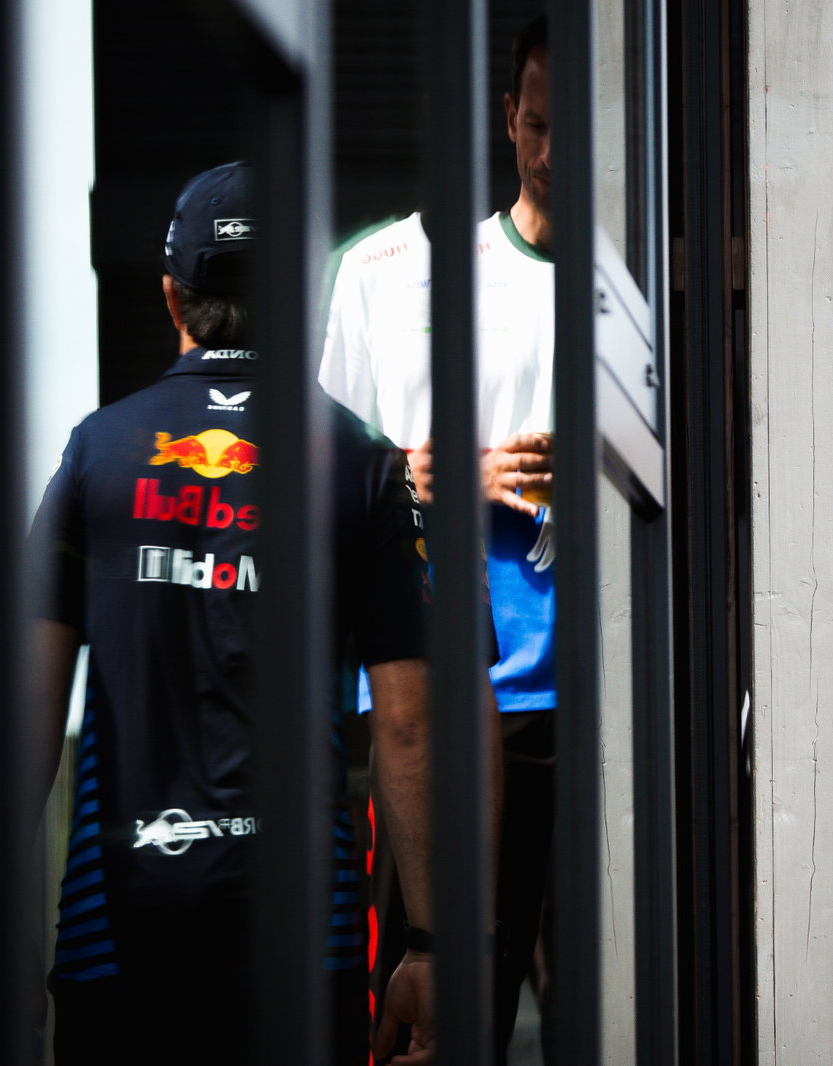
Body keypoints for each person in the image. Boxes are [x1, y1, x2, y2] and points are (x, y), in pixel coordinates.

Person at [30, 162, 440, 1065]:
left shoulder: (95, 453)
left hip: (120, 928)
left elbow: (23, 714)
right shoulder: (365, 465)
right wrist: (429, 945)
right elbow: (411, 726)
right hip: (302, 933)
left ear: (172, 296)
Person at [319, 15, 556, 1060]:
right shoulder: (383, 271)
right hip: (434, 700)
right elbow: (323, 483)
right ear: (508, 119)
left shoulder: (640, 284)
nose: (554, 154)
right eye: (538, 125)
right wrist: (423, 477)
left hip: (598, 704)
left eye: (573, 129)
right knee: (440, 1011)